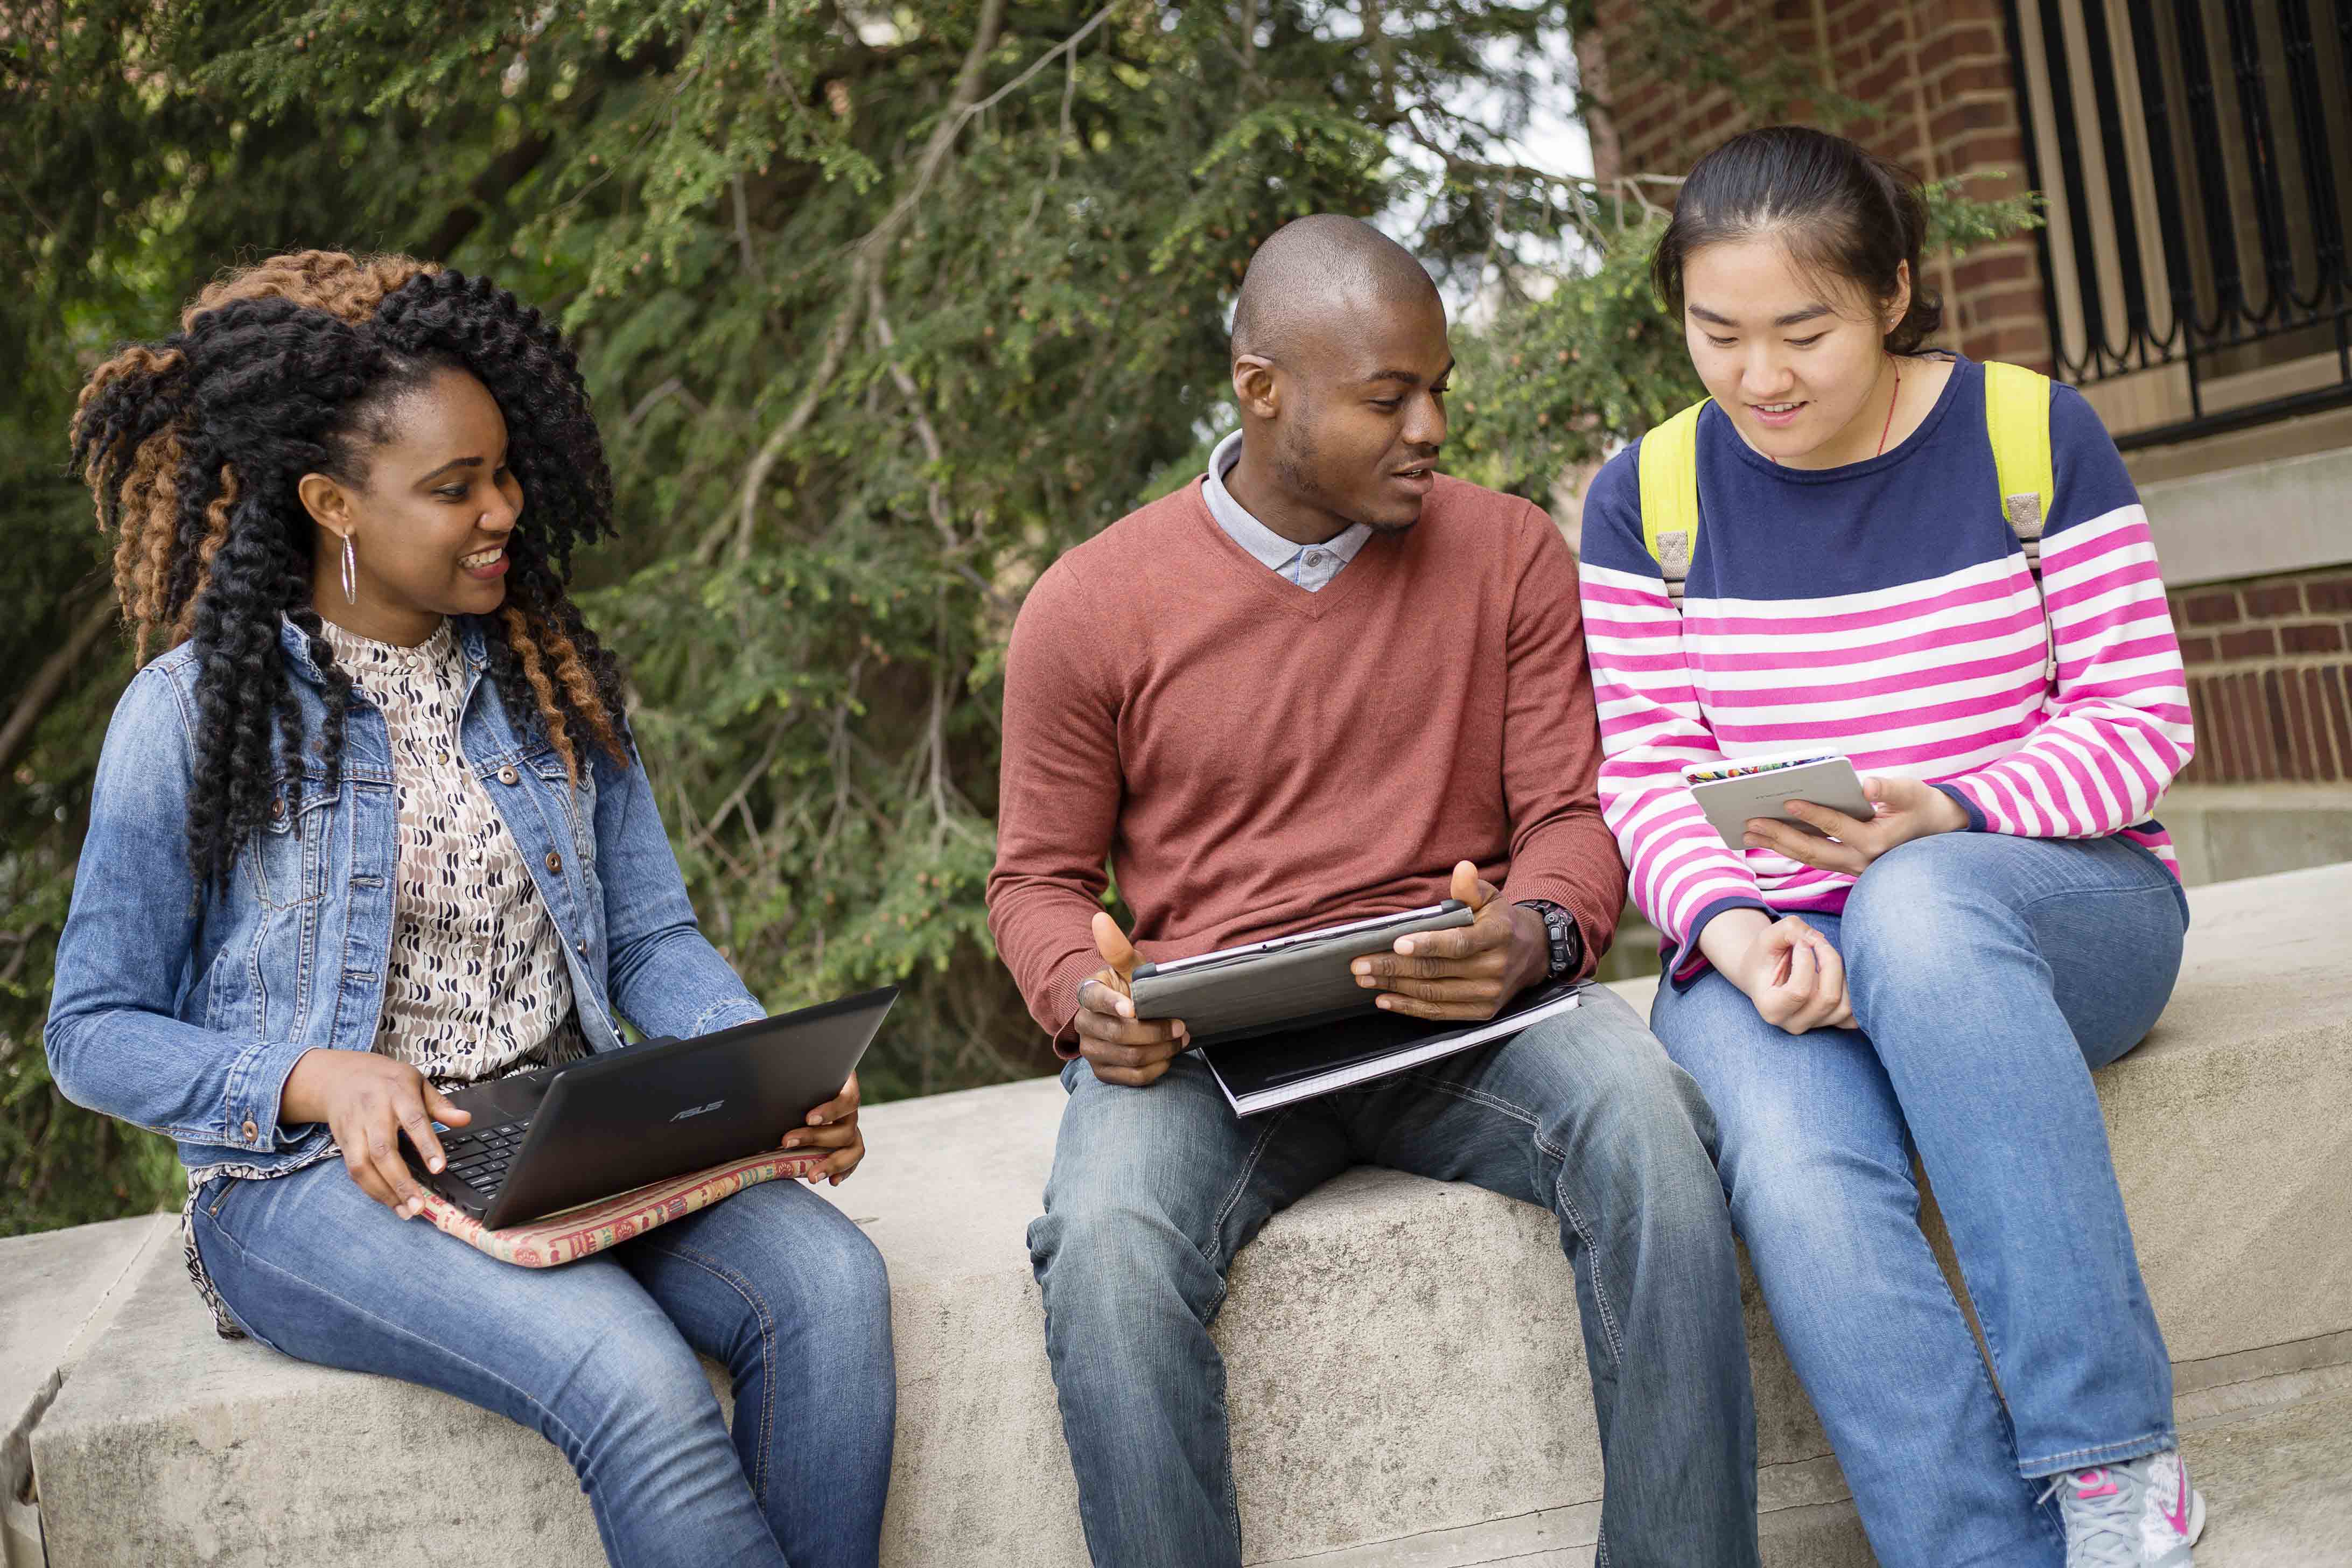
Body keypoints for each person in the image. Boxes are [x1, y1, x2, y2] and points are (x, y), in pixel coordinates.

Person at [46, 251, 895, 1568]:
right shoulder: (190, 714)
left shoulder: (545, 681)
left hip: (559, 1123)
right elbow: (92, 1029)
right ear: (332, 501)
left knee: (832, 1289)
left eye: (504, 471)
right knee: (631, 1378)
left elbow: (651, 938)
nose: (502, 508)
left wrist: (755, 1068)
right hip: (314, 1184)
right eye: (454, 488)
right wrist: (314, 1077)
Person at [988, 214, 1761, 1568]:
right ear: (1261, 388)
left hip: (1468, 1022)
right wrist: (1084, 995)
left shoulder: (1512, 554)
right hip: (1206, 1054)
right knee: (1104, 1251)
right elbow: (1039, 881)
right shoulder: (1089, 606)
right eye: (1387, 396)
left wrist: (1537, 932)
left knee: (1651, 1123)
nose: (1432, 427)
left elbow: (1572, 819)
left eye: (1441, 388)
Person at [1577, 127, 2203, 1568]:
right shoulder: (1649, 500)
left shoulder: (2028, 437)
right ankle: (1975, 1550)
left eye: (1805, 330)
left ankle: (2113, 1465)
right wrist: (1739, 939)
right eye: (1715, 333)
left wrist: (1953, 811)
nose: (1759, 376)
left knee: (1920, 907)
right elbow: (1654, 778)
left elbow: (2143, 720)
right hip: (1777, 939)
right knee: (1792, 1162)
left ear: (1895, 295)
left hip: (2053, 912)